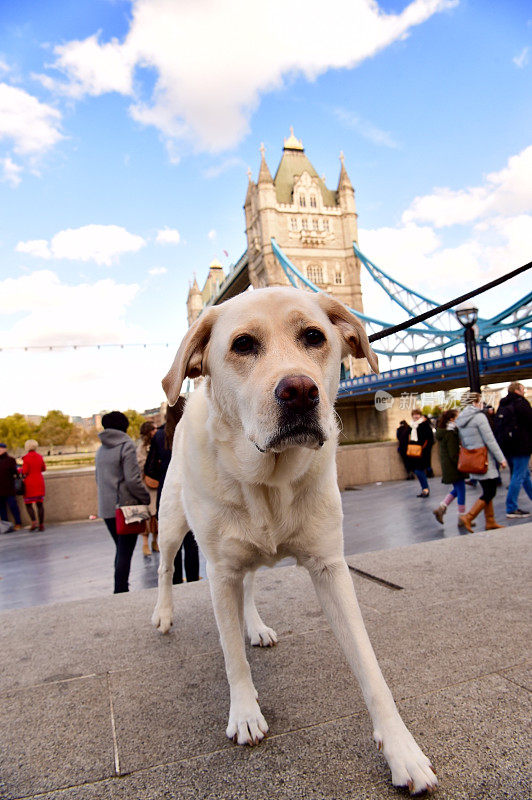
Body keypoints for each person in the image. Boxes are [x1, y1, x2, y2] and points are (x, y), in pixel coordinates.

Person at [145, 398, 200, 584]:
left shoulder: (159, 436)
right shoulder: (195, 431)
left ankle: (175, 582)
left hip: (168, 492)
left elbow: (149, 469)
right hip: (193, 489)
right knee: (192, 543)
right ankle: (193, 579)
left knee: (171, 541)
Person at [95, 411, 150, 593]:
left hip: (107, 508)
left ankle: (120, 588)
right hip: (126, 508)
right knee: (125, 552)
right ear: (124, 426)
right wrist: (145, 498)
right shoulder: (126, 446)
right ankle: (120, 591)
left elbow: (98, 478)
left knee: (120, 550)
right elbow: (133, 480)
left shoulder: (101, 449)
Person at [456, 392, 507, 532]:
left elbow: (463, 441)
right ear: (474, 403)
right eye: (480, 401)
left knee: (487, 490)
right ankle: (468, 517)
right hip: (485, 459)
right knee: (490, 491)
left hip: (473, 460)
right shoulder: (479, 417)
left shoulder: (461, 419)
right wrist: (501, 459)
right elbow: (490, 440)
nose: (482, 404)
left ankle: (490, 521)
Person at [494, 382, 532, 519]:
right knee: (518, 475)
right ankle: (511, 507)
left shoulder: (503, 404)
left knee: (524, 475)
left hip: (508, 446)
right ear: (517, 390)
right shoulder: (520, 403)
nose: (525, 390)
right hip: (521, 445)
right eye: (523, 388)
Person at [432, 410, 468, 525]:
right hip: (454, 467)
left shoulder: (446, 431)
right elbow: (453, 454)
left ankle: (441, 508)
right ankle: (462, 518)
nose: (460, 417)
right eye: (458, 416)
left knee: (457, 489)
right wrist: (463, 464)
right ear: (452, 419)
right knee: (461, 489)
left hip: (449, 466)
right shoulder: (450, 433)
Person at [136, 420, 159, 555]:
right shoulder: (141, 448)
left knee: (156, 515)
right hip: (147, 485)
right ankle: (146, 544)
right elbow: (140, 464)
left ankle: (155, 541)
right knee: (147, 516)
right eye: (154, 429)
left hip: (154, 484)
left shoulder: (155, 444)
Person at [406, 408, 434, 497]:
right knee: (417, 471)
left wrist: (424, 449)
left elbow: (431, 439)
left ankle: (425, 489)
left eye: (417, 414)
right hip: (414, 453)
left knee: (419, 471)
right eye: (414, 414)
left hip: (423, 453)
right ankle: (424, 489)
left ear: (420, 415)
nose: (415, 416)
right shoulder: (411, 426)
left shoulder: (424, 424)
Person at [21, 439, 46, 531]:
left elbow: (25, 471)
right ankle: (41, 524)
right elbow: (43, 468)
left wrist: (20, 470)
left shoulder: (26, 458)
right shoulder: (40, 457)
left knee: (28, 504)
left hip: (29, 483)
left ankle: (33, 522)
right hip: (39, 482)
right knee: (40, 504)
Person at [0, 443, 22, 530]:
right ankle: (6, 526)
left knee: (13, 506)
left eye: (1, 448)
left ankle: (18, 523)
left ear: (5, 449)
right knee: (2, 509)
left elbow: (15, 473)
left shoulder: (10, 460)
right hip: (0, 490)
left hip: (9, 488)